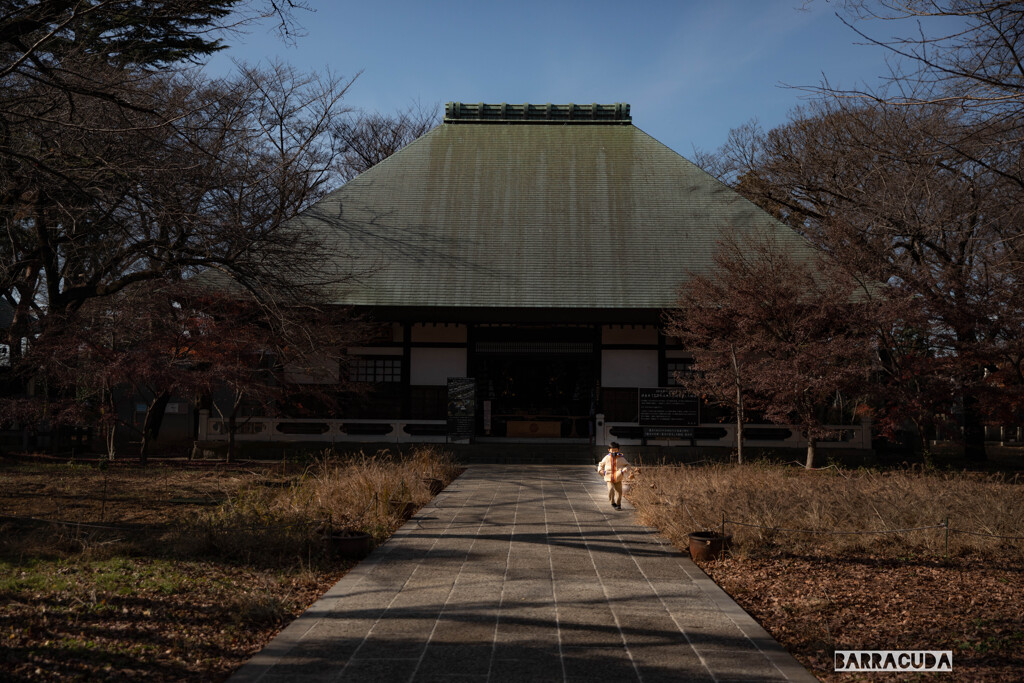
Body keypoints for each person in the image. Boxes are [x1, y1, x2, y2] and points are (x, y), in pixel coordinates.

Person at [597, 442, 632, 510]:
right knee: (610, 489)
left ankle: (618, 504)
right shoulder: (606, 457)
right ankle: (612, 502)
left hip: (618, 477)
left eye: (615, 450)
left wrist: (624, 470)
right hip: (609, 477)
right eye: (612, 450)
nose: (614, 452)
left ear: (618, 450)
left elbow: (628, 465)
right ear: (609, 450)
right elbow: (601, 464)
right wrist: (600, 470)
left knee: (619, 492)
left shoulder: (621, 458)